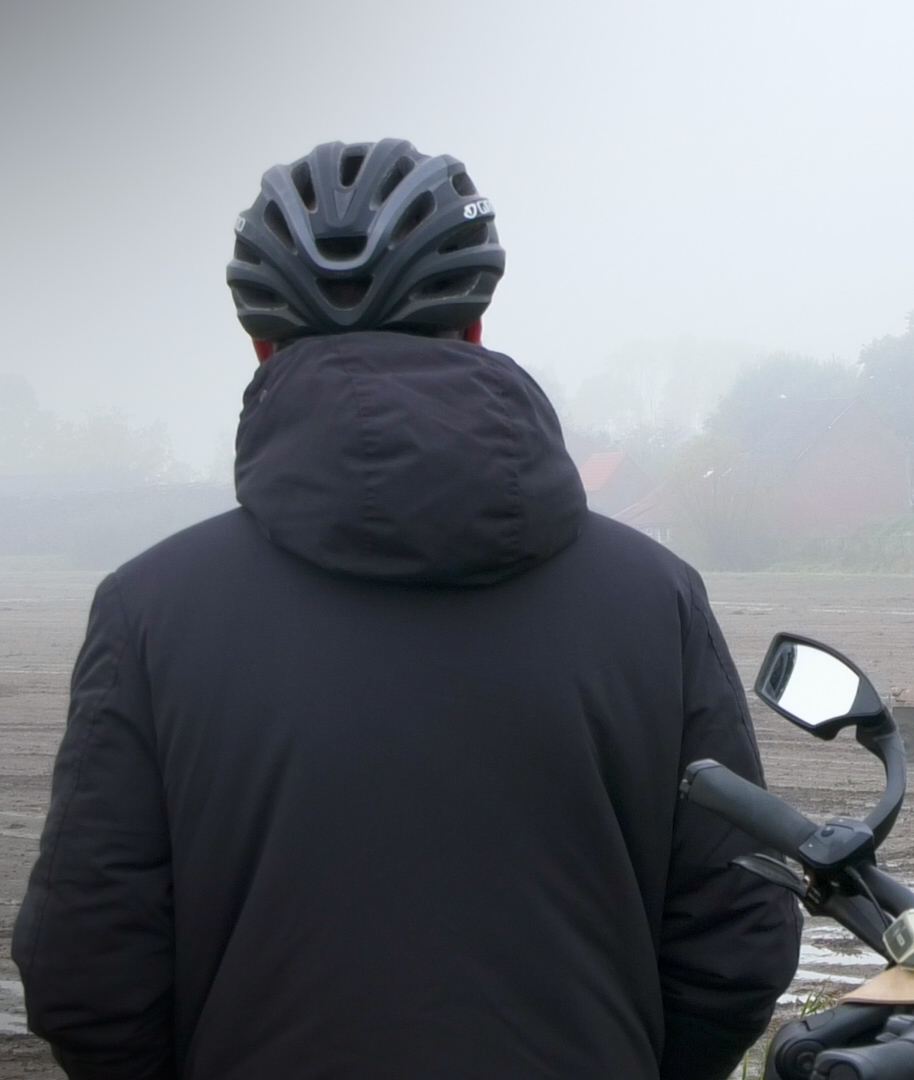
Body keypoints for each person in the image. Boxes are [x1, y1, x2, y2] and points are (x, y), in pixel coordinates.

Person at [13, 140, 801, 1080]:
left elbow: (85, 969)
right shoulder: (654, 599)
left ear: (261, 346)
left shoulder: (149, 609)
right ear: (474, 328)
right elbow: (740, 931)